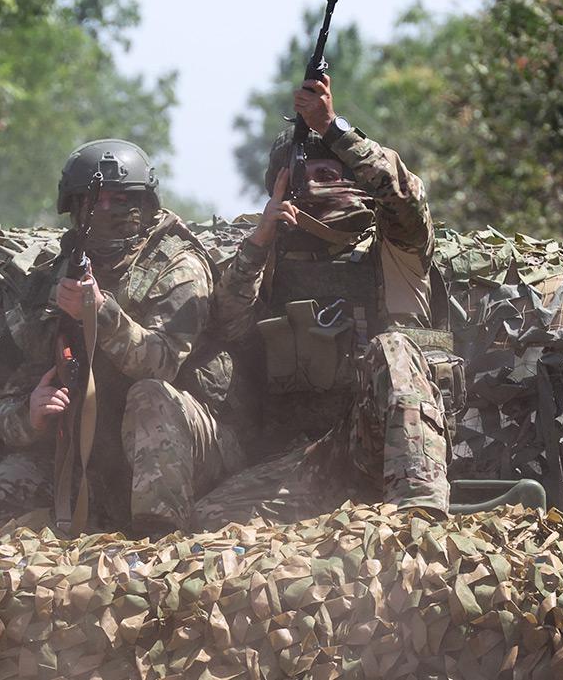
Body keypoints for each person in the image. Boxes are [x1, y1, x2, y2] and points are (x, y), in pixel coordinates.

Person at [193, 74, 458, 529]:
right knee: (209, 518)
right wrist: (261, 241)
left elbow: (403, 196)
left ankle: (418, 522)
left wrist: (331, 127)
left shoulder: (394, 247)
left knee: (392, 348)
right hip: (308, 462)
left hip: (383, 450)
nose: (329, 173)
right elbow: (226, 327)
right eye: (312, 168)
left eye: (337, 167)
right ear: (283, 184)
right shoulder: (266, 257)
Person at [0, 139, 244, 533]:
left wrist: (100, 312)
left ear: (144, 205)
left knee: (150, 396)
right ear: (74, 208)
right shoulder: (50, 280)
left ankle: (161, 543)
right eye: (92, 202)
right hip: (97, 457)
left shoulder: (176, 265)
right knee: (5, 485)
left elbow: (162, 364)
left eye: (119, 200)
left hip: (187, 447)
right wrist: (30, 413)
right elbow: (1, 399)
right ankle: (73, 555)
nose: (105, 211)